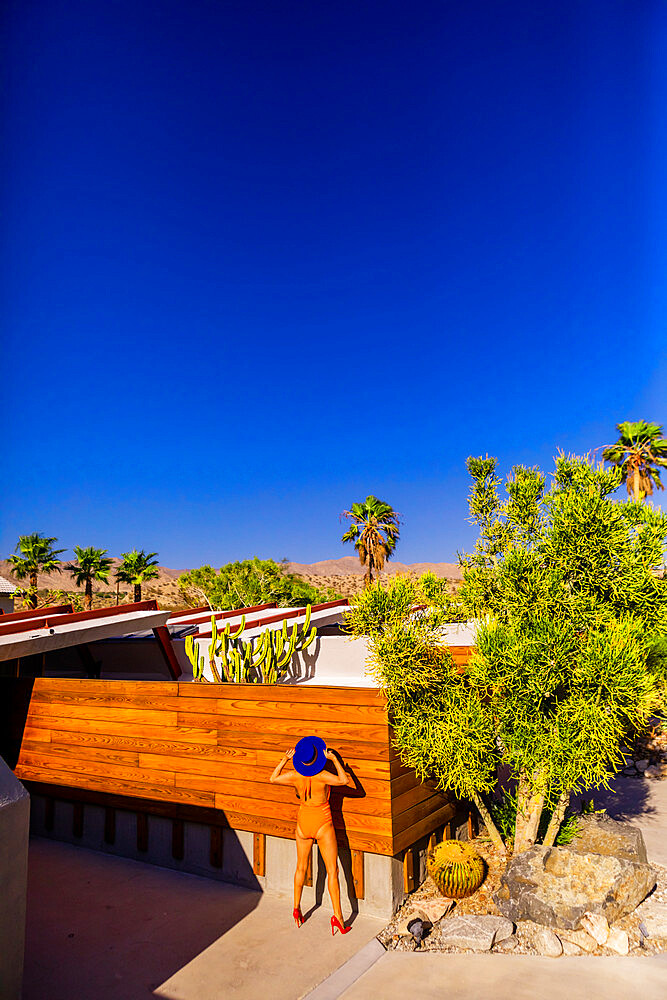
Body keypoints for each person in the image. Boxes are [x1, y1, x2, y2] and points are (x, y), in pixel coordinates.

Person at [269, 735, 354, 934]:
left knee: (301, 867)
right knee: (333, 871)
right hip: (322, 822)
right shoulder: (323, 775)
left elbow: (272, 778)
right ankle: (339, 919)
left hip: (303, 822)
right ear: (317, 757)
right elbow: (344, 780)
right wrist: (335, 760)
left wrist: (284, 760)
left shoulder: (294, 774)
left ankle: (297, 909)